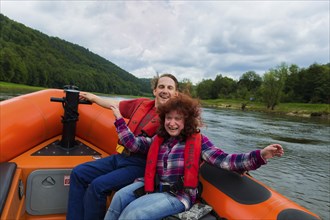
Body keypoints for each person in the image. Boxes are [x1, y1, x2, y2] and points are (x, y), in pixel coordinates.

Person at [104, 93, 284, 220]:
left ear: (186, 121)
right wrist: (119, 120)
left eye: (178, 119)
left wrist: (260, 155)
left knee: (135, 214)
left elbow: (225, 160)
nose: (172, 123)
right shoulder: (159, 139)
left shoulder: (199, 142)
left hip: (177, 195)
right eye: (168, 118)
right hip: (154, 185)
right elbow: (133, 144)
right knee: (120, 197)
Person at [66, 73, 179, 220]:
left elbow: (141, 146)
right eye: (161, 86)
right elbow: (114, 104)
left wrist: (119, 121)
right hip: (121, 156)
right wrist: (93, 98)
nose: (165, 90)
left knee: (97, 186)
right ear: (154, 91)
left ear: (175, 94)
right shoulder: (141, 104)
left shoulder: (173, 121)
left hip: (141, 165)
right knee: (78, 173)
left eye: (170, 88)